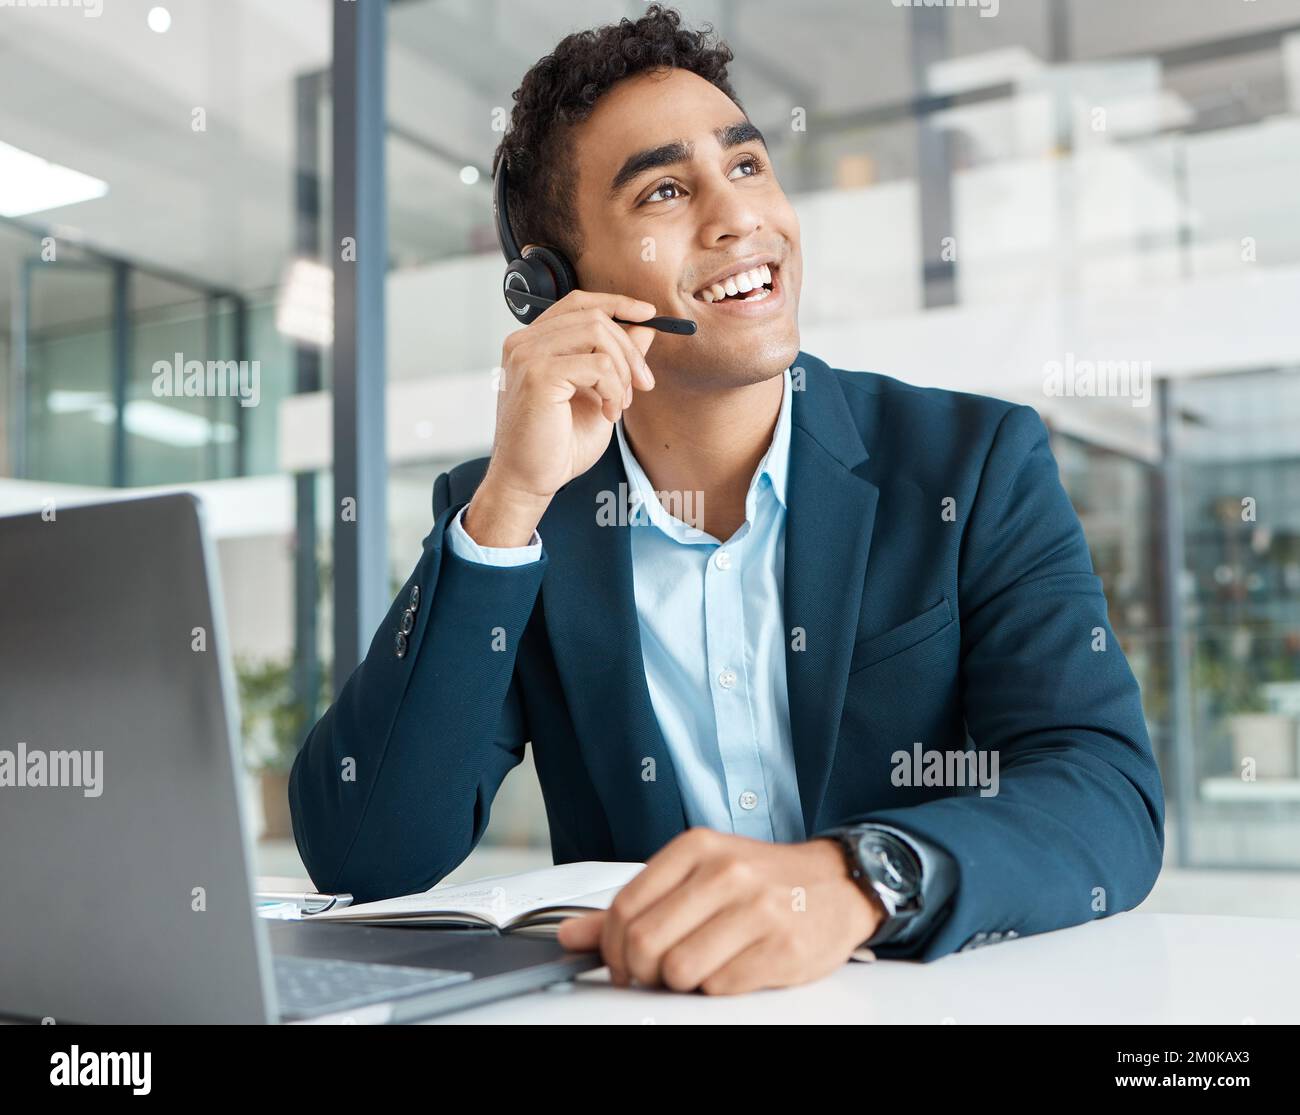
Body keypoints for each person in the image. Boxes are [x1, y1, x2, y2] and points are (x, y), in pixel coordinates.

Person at [290, 4, 1163, 995]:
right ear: (557, 287)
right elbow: (363, 851)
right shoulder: (524, 516)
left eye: (745, 166)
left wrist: (852, 881)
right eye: (666, 189)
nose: (739, 214)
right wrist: (509, 503)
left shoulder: (971, 464)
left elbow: (1105, 794)